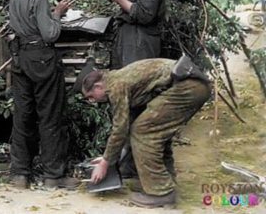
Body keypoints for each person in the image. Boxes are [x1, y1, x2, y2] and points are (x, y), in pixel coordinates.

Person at [78, 58, 211, 208]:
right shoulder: (118, 78)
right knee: (155, 131)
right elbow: (126, 127)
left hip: (188, 86)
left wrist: (105, 163)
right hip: (194, 84)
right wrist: (107, 158)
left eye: (90, 96)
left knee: (143, 132)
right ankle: (166, 181)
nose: (92, 101)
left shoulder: (115, 87)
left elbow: (120, 129)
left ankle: (161, 192)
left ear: (98, 86)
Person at [7, 0, 78, 189]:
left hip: (20, 58)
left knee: (23, 115)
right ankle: (52, 177)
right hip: (42, 60)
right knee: (50, 116)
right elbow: (50, 34)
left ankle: (20, 174)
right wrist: (57, 13)